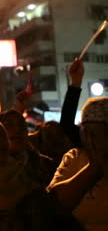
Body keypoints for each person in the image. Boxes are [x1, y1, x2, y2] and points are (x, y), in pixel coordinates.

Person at [49, 97, 108, 230]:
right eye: (85, 132)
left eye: (96, 133)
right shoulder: (74, 157)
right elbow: (53, 204)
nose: (90, 140)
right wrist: (92, 169)